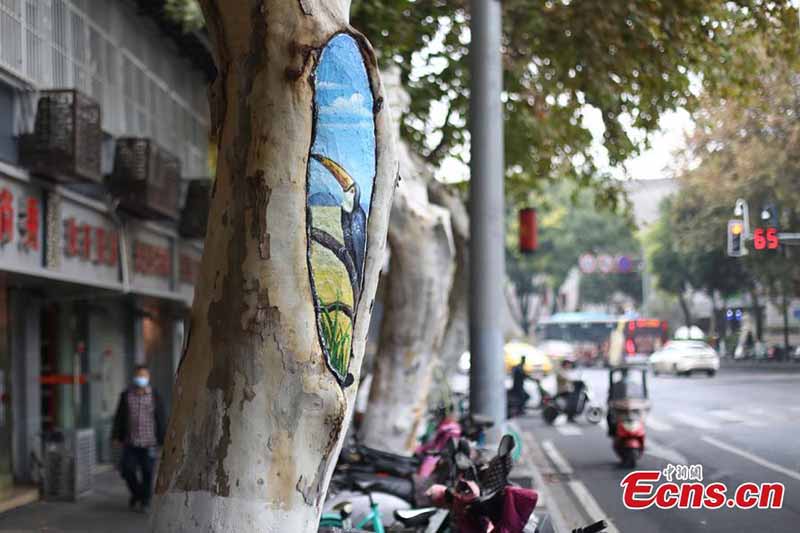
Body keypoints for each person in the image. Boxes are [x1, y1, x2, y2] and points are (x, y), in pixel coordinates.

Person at [112, 365, 166, 513]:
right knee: (127, 470)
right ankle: (138, 494)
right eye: (138, 375)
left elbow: (161, 418)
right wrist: (116, 436)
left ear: (148, 377)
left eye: (144, 375)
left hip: (150, 443)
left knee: (148, 472)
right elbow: (119, 417)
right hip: (131, 442)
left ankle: (146, 501)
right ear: (134, 377)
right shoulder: (126, 395)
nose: (141, 378)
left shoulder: (155, 395)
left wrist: (164, 439)